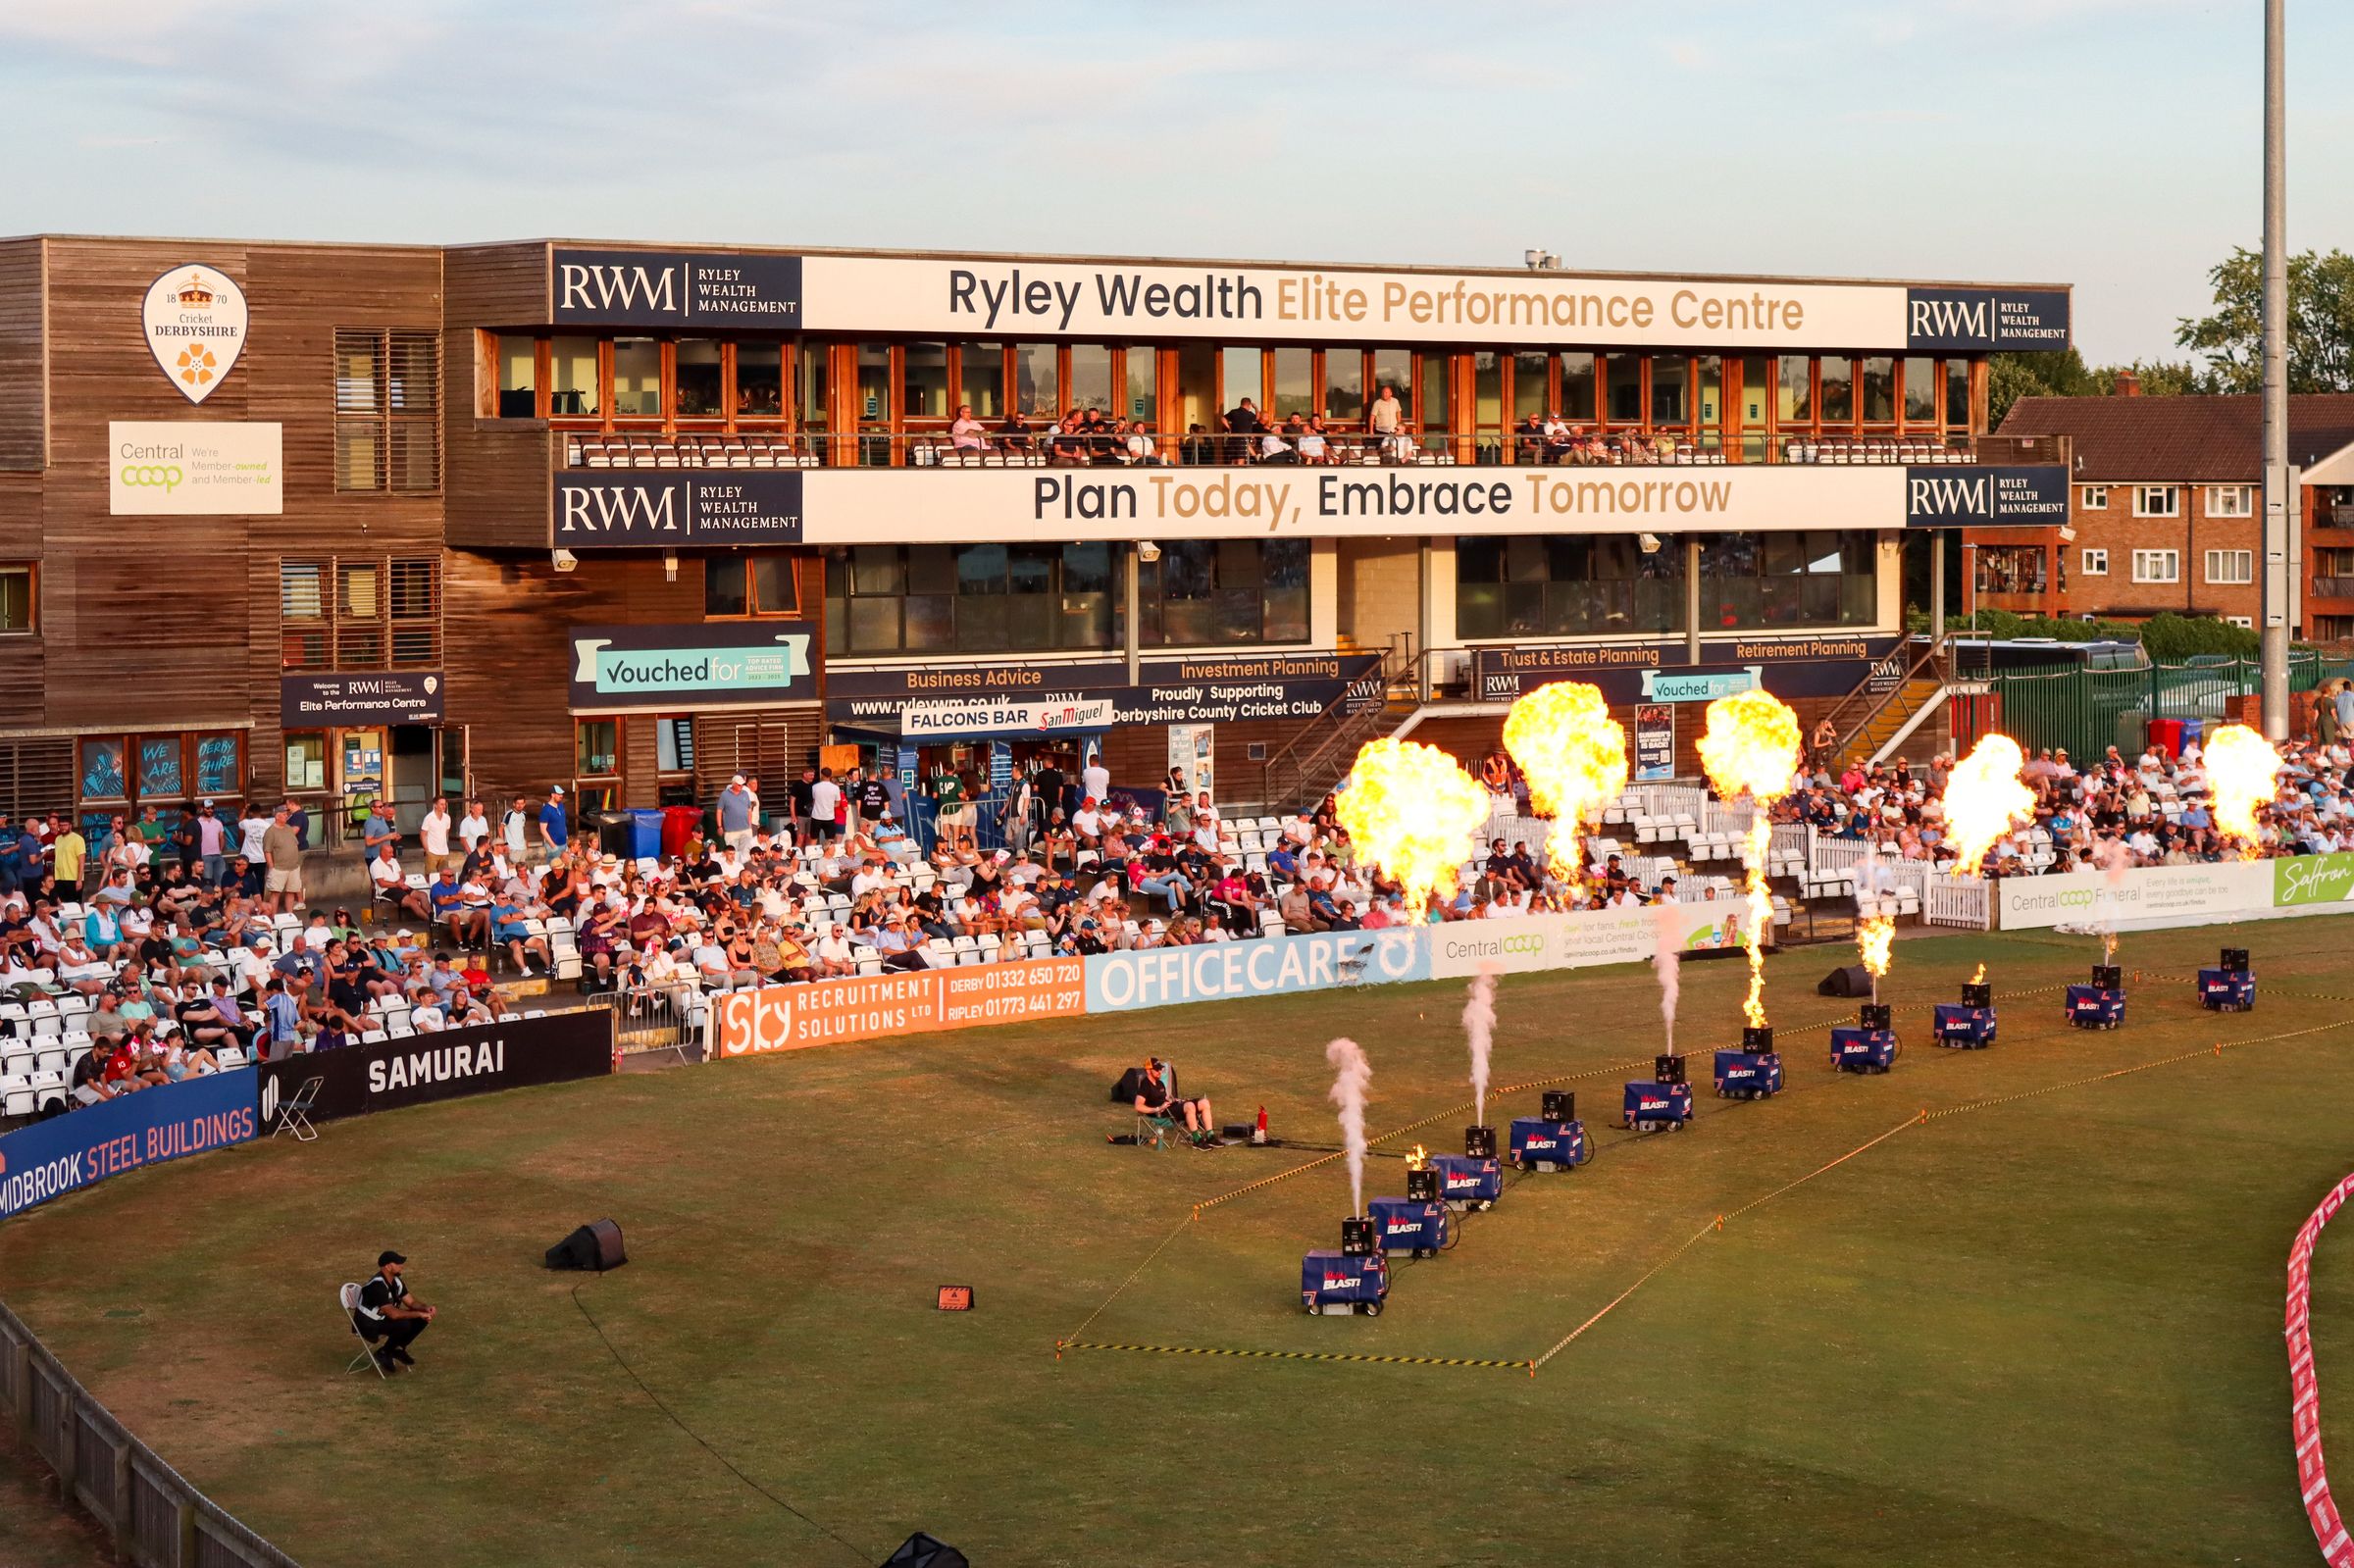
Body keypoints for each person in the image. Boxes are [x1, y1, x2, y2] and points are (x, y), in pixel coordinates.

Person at [351, 1250, 435, 1373]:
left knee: (420, 1319)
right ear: (388, 1266)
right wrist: (418, 1313)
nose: (402, 1265)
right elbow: (393, 1314)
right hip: (367, 1325)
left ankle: (394, 1349)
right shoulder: (377, 1286)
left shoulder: (396, 1282)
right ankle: (385, 1352)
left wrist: (425, 1308)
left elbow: (411, 1302)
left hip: (380, 1320)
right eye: (398, 1263)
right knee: (403, 1323)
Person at [1132, 1056, 1216, 1147]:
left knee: (1204, 1103)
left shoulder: (1160, 1083)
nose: (1159, 1072)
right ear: (1148, 1070)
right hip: (1162, 1114)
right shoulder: (1145, 1085)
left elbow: (1164, 1099)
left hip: (1170, 1108)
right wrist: (1157, 1109)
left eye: (1160, 1069)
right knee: (1190, 1106)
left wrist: (1176, 1101)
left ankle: (1210, 1136)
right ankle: (1197, 1140)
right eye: (1157, 1070)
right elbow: (1138, 1106)